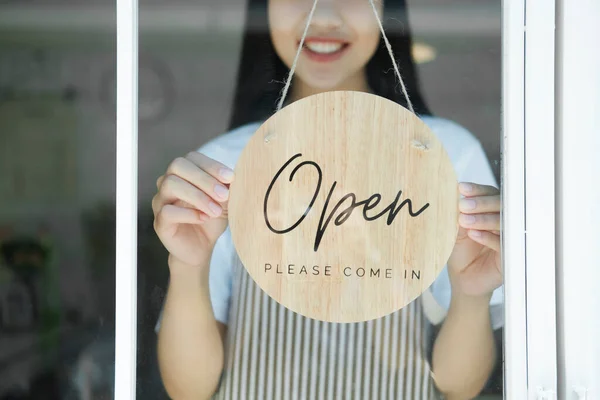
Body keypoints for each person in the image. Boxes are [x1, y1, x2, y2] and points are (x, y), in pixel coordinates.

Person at [152, 0, 504, 399]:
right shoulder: (223, 168)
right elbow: (189, 391)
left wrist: (472, 296)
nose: (323, 16)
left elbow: (459, 388)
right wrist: (188, 266)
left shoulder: (445, 156)